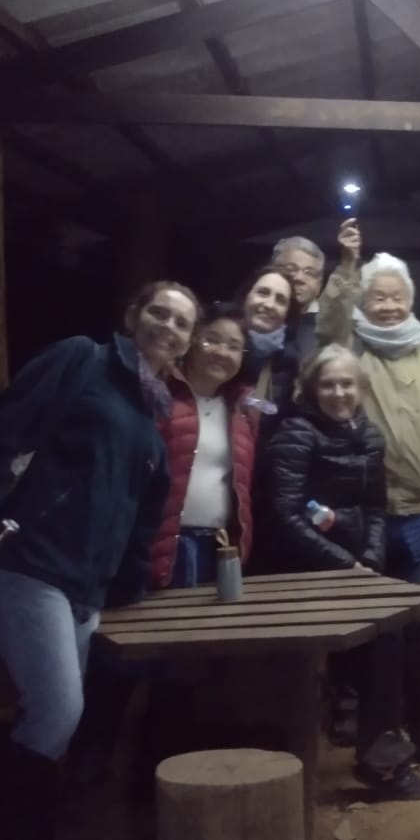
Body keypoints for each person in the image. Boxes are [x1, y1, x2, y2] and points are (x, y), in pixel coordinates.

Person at [0, 280, 196, 840]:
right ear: (133, 316)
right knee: (58, 711)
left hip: (86, 589)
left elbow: (140, 523)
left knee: (51, 722)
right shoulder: (83, 359)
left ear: (186, 344)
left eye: (182, 323)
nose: (169, 327)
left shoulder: (153, 416)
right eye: (159, 312)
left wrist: (131, 592)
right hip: (29, 563)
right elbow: (3, 430)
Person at [68, 302, 261, 790]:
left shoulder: (242, 409)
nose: (221, 352)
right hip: (153, 544)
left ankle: (156, 779)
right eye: (212, 339)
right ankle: (84, 775)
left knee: (181, 668)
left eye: (234, 346)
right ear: (192, 342)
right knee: (121, 658)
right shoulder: (157, 395)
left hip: (211, 552)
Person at [263, 346, 420, 799]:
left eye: (347, 384)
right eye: (328, 384)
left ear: (361, 388)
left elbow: (375, 509)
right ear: (311, 389)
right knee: (385, 636)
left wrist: (371, 561)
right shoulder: (296, 434)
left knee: (412, 622)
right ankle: (381, 761)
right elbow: (285, 515)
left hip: (354, 567)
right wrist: (349, 566)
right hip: (302, 572)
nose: (339, 393)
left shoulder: (368, 435)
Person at [316, 225, 420, 771]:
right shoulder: (350, 344)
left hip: (416, 505)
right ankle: (365, 716)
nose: (389, 306)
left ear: (411, 301)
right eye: (379, 297)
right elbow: (330, 323)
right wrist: (347, 268)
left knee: (412, 615)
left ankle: (418, 721)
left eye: (398, 297)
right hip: (364, 508)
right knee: (364, 616)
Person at [235, 263, 298, 411]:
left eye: (280, 300)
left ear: (287, 313)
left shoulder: (290, 365)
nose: (270, 305)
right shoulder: (218, 342)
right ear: (246, 296)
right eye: (263, 293)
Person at [271, 234, 328, 364]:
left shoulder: (329, 329)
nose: (299, 278)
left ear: (319, 284)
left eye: (309, 273)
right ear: (272, 271)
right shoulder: (253, 316)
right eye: (290, 269)